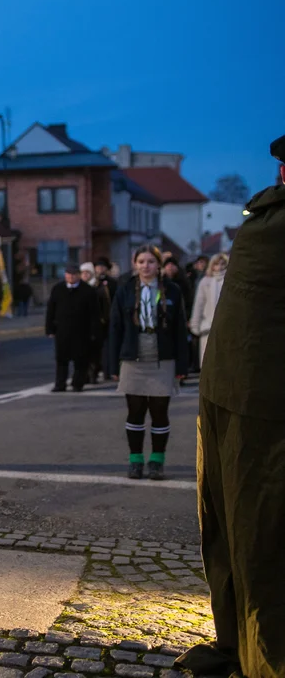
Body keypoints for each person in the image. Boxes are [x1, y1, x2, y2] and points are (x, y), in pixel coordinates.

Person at [176, 137, 285, 678]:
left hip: (234, 398)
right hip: (253, 405)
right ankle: (260, 654)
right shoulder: (267, 223)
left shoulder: (260, 222)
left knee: (240, 527)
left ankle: (246, 645)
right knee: (258, 531)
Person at [107, 244, 188, 480]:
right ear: (135, 264)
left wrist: (182, 365)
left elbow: (179, 330)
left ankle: (157, 460)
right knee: (135, 412)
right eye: (141, 261)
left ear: (158, 265)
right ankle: (135, 460)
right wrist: (113, 365)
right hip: (133, 359)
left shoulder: (172, 290)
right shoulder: (124, 290)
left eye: (150, 262)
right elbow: (115, 329)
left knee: (160, 412)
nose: (146, 266)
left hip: (163, 358)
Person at [46, 263, 99, 392]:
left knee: (80, 359)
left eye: (74, 274)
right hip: (62, 330)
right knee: (61, 359)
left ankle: (78, 383)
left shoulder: (87, 291)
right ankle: (60, 384)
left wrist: (94, 332)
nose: (71, 277)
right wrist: (50, 329)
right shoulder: (58, 289)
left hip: (82, 331)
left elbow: (94, 313)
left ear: (79, 276)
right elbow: (51, 310)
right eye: (68, 274)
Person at [189, 253, 228, 367]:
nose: (219, 267)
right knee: (210, 364)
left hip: (228, 328)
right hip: (208, 328)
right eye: (216, 264)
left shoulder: (231, 281)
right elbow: (199, 305)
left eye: (223, 264)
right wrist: (195, 326)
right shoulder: (205, 282)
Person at [80, 262, 110, 384]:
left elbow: (106, 305)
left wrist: (103, 320)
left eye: (87, 273)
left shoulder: (99, 288)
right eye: (83, 273)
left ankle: (93, 373)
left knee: (95, 352)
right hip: (81, 326)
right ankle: (84, 374)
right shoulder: (79, 287)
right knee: (82, 352)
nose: (85, 275)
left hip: (96, 325)